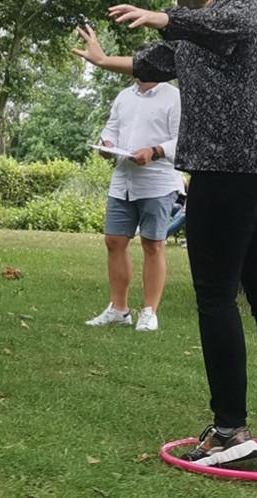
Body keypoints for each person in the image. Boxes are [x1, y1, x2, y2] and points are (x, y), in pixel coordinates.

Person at [72, 0, 257, 467]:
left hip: (233, 172)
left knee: (215, 295)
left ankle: (230, 430)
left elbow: (225, 21)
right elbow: (152, 61)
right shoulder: (206, 29)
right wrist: (100, 59)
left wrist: (162, 15)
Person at [86, 79, 182, 333]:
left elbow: (182, 138)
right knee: (114, 241)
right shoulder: (124, 96)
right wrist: (106, 144)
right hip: (123, 181)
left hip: (158, 182)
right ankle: (119, 310)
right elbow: (111, 128)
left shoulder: (174, 96)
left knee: (152, 244)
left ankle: (149, 312)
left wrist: (155, 151)